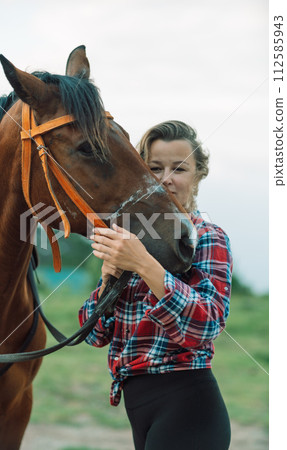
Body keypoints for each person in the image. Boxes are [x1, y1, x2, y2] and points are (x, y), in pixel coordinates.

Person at [79, 120, 233, 450]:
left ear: (198, 176)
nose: (165, 178)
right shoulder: (131, 240)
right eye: (154, 167)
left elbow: (207, 325)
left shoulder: (207, 237)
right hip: (139, 408)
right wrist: (108, 278)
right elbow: (93, 335)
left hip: (189, 407)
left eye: (179, 168)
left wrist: (145, 265)